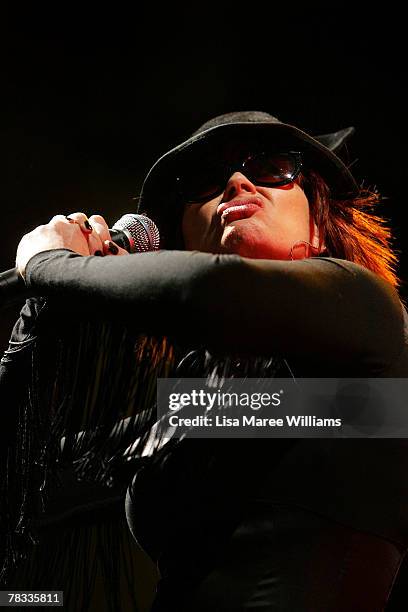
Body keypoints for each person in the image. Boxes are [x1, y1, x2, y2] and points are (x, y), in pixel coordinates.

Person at [3, 111, 408, 611]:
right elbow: (28, 469)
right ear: (180, 241)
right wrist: (39, 312)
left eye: (273, 167)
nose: (236, 182)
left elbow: (209, 288)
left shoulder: (366, 308)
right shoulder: (206, 407)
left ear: (321, 222)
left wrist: (53, 266)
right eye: (203, 183)